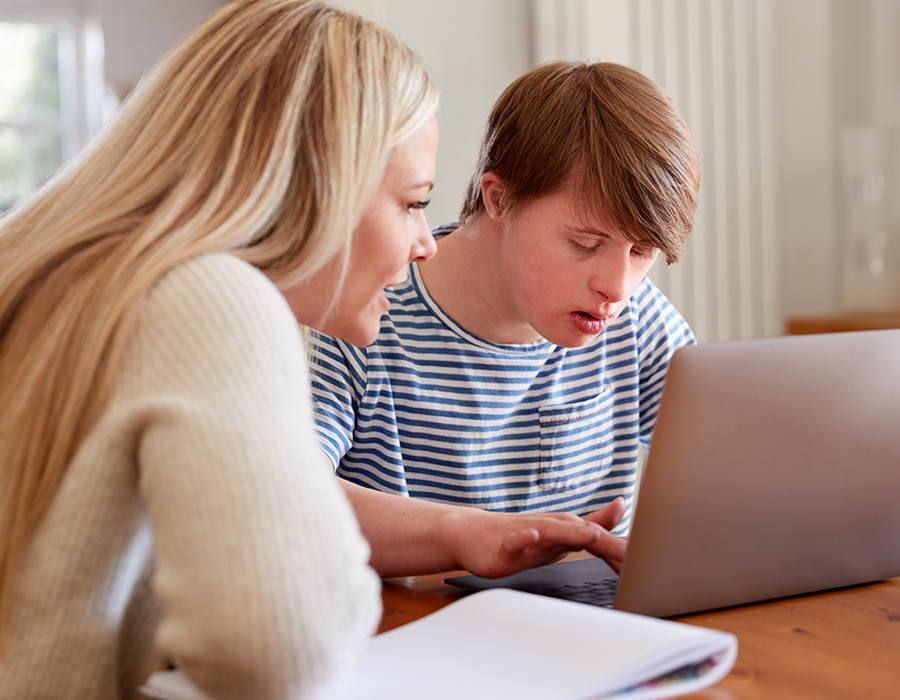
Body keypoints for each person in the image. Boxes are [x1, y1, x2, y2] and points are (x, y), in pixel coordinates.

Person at [0, 2, 443, 698]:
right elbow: (283, 647)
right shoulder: (209, 298)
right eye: (413, 202)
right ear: (320, 178)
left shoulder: (58, 269)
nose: (427, 243)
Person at [309, 60, 701, 579]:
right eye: (586, 244)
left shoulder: (637, 318)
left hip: (592, 633)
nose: (618, 286)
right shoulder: (363, 313)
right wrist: (466, 534)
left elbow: (730, 470)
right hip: (419, 634)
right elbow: (290, 495)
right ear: (500, 199)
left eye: (642, 252)